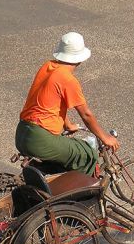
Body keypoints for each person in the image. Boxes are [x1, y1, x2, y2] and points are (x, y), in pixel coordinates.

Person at [15, 32, 120, 175]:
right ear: (80, 59)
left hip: (22, 132)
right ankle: (77, 196)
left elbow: (53, 103)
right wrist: (105, 137)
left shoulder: (47, 66)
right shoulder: (68, 80)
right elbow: (86, 115)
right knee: (87, 154)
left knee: (64, 158)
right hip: (40, 138)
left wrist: (68, 125)